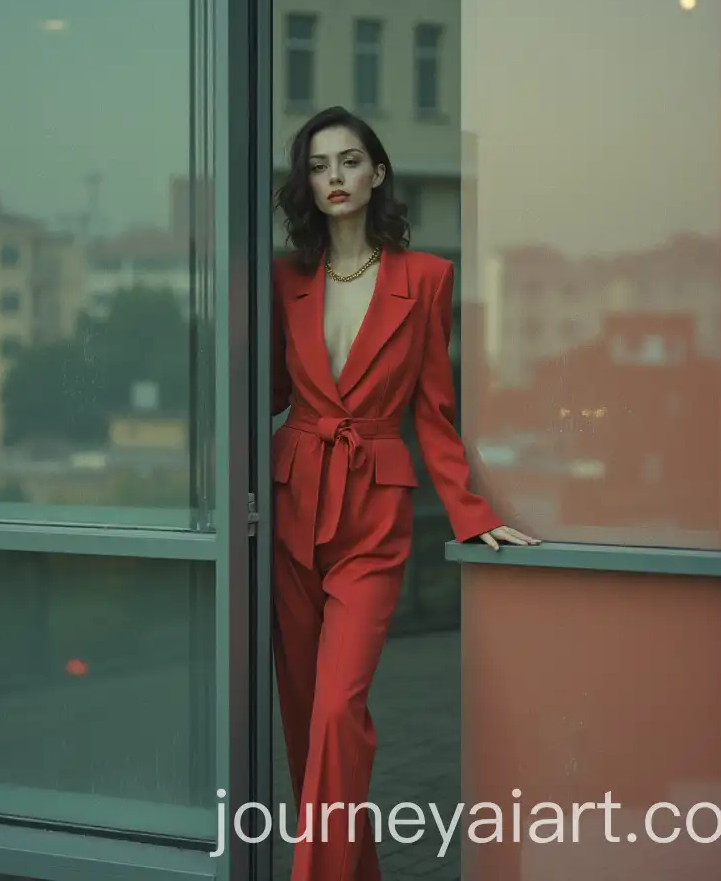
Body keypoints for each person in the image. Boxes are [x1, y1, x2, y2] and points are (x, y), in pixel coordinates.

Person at [270, 105, 539, 880]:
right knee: (303, 729)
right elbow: (269, 391)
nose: (334, 179)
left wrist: (472, 513)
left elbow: (435, 410)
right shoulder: (285, 277)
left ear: (377, 172)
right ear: (307, 184)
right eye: (318, 167)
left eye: (348, 162)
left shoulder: (426, 279)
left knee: (335, 712)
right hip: (292, 504)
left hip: (373, 520)